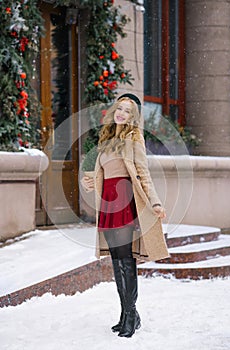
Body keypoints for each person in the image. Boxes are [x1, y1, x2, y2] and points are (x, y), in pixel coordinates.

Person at [81, 93, 169, 338]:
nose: (121, 113)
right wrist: (90, 181)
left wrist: (156, 202)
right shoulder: (107, 139)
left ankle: (131, 315)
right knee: (116, 261)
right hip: (108, 203)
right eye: (119, 108)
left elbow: (143, 174)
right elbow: (104, 174)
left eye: (127, 111)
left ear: (133, 117)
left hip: (124, 203)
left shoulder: (134, 139)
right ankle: (126, 312)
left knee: (126, 259)